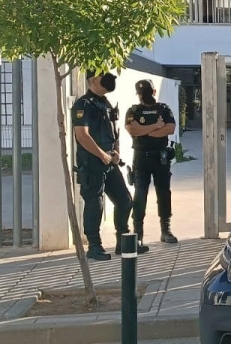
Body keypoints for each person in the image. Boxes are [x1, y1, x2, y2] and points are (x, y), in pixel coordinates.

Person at [72, 70, 134, 261]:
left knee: (124, 200)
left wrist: (115, 153)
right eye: (103, 77)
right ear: (93, 80)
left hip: (109, 160)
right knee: (94, 202)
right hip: (91, 161)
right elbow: (82, 135)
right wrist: (101, 155)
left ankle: (123, 242)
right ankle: (94, 246)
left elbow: (114, 131)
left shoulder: (106, 104)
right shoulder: (83, 104)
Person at [124, 79, 178, 246]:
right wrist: (155, 126)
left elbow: (170, 128)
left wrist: (144, 132)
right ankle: (138, 233)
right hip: (141, 158)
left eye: (146, 92)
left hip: (160, 157)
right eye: (141, 93)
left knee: (164, 193)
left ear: (153, 92)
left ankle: (166, 230)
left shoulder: (163, 108)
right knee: (140, 195)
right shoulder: (133, 110)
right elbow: (132, 130)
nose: (143, 96)